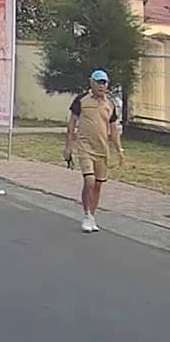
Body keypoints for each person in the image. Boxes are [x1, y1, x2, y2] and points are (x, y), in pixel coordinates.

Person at [65, 69, 125, 233]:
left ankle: (92, 215)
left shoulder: (110, 104)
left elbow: (113, 129)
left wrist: (119, 149)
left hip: (102, 149)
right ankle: (86, 214)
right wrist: (68, 147)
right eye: (98, 82)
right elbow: (72, 124)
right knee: (89, 180)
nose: (101, 86)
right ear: (91, 83)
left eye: (104, 83)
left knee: (98, 184)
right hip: (85, 147)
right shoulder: (81, 100)